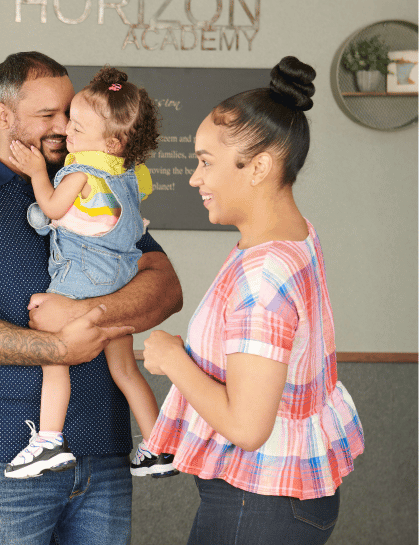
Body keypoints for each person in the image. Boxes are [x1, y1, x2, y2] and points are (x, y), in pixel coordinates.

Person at [0, 51, 183, 545]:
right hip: (5, 462)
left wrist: (87, 315)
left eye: (70, 113)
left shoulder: (94, 181)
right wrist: (57, 348)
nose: (63, 126)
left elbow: (164, 285)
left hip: (107, 457)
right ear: (2, 116)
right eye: (47, 116)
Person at [142, 56, 364, 545]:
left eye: (206, 162)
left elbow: (247, 426)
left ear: (259, 167)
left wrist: (171, 359)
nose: (195, 178)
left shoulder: (265, 273)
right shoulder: (294, 238)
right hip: (284, 499)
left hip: (259, 505)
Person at [5, 66, 175, 479]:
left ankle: (48, 439)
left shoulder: (80, 172)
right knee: (125, 370)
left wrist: (36, 173)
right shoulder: (130, 173)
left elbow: (50, 208)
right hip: (121, 279)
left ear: (114, 140)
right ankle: (157, 447)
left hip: (84, 278)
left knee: (51, 346)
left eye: (77, 127)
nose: (67, 132)